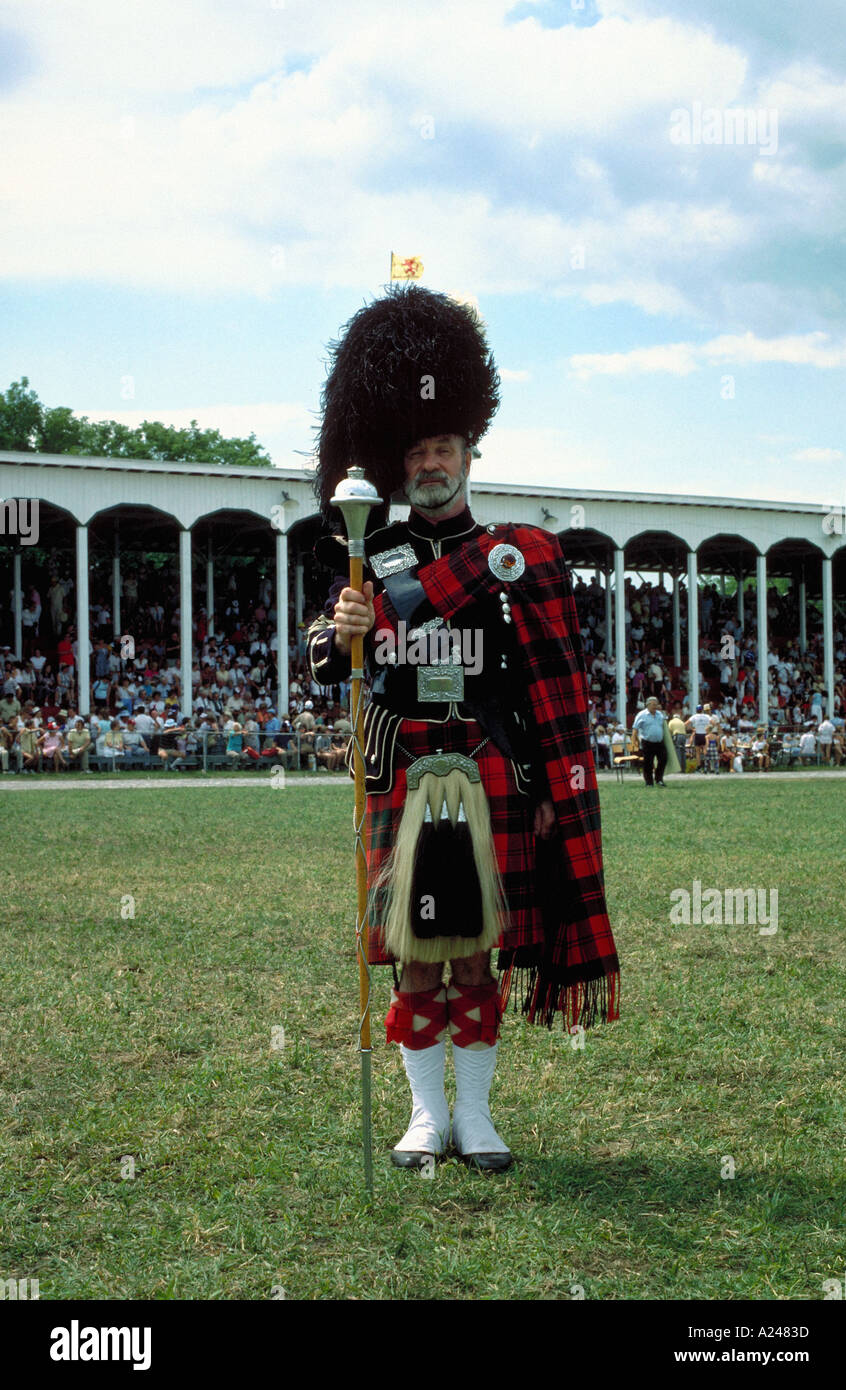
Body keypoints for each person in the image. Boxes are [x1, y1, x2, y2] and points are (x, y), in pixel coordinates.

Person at [307, 285, 619, 1172]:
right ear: (399, 467)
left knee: (477, 952)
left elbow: (549, 683)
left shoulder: (517, 554)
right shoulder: (371, 557)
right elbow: (327, 660)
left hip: (489, 768)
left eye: (444, 445)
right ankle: (421, 1118)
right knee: (411, 954)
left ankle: (475, 1118)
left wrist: (550, 794)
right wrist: (346, 635)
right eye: (416, 449)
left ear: (469, 451)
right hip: (403, 767)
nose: (431, 461)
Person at [632, 696, 669, 787]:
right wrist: (634, 740)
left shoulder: (660, 715)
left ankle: (659, 779)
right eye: (653, 704)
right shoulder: (641, 715)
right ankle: (649, 782)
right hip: (647, 742)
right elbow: (635, 729)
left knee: (663, 759)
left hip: (659, 742)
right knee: (648, 763)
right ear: (647, 705)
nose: (655, 706)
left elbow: (664, 727)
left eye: (656, 704)